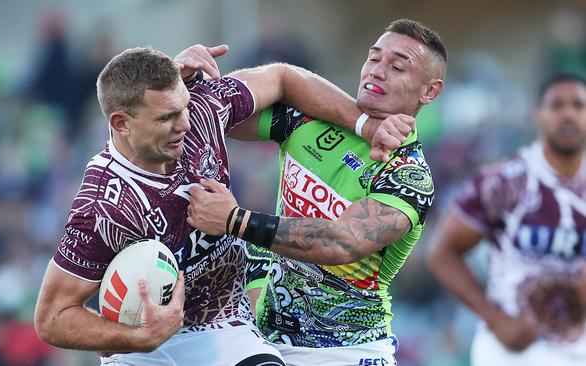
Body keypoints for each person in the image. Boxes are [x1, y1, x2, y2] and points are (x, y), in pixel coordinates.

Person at [33, 44, 408, 366]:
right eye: (167, 117)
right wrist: (139, 339)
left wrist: (365, 125)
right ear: (121, 123)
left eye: (183, 106)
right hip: (139, 349)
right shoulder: (102, 206)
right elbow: (51, 318)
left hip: (222, 324)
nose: (184, 123)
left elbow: (281, 77)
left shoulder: (202, 110)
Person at [187, 19, 446, 366]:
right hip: (264, 342)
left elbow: (340, 243)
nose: (378, 71)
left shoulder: (409, 176)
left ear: (429, 92)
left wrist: (236, 220)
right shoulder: (308, 123)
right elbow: (211, 118)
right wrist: (186, 81)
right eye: (373, 59)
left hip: (346, 352)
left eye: (398, 66)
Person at [427, 74, 586, 366]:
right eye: (557, 105)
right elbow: (442, 253)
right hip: (513, 351)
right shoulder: (503, 181)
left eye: (578, 105)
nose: (568, 114)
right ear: (538, 115)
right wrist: (495, 318)